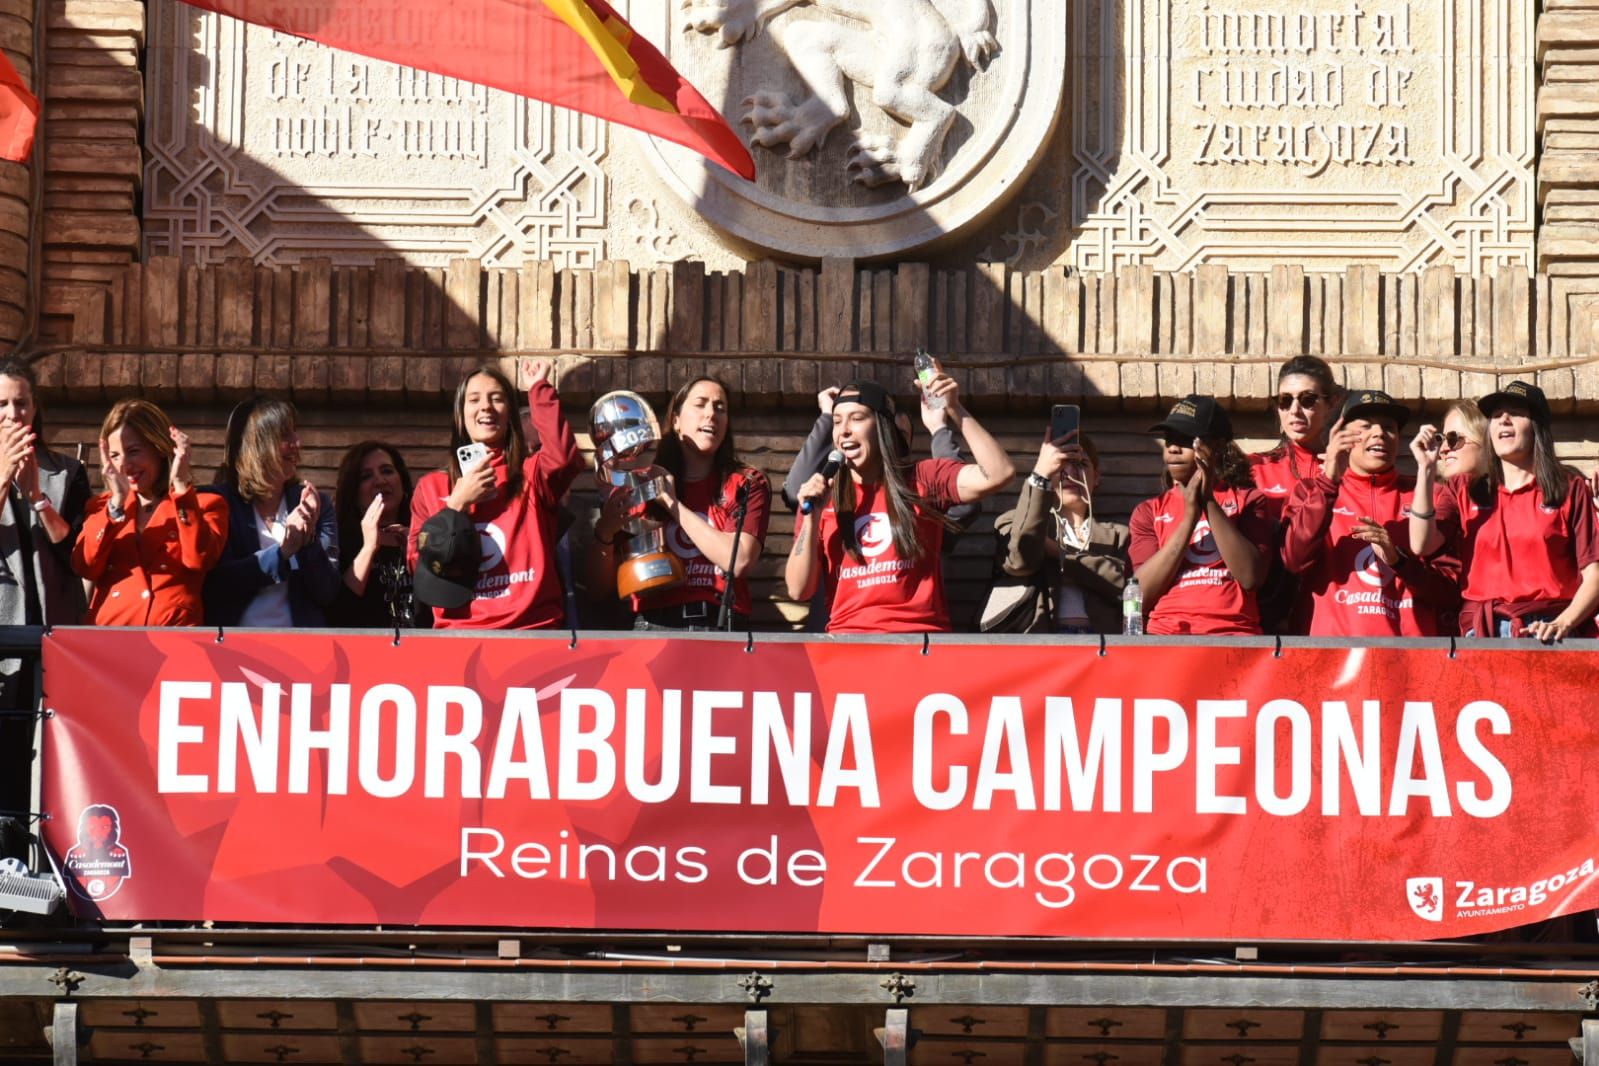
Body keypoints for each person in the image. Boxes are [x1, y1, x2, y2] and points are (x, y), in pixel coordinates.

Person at [785, 377, 1014, 633]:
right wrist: (811, 517)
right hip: (848, 646)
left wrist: (955, 409)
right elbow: (798, 590)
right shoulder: (821, 499)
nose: (844, 430)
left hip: (920, 644)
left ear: (882, 427)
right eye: (837, 421)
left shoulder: (924, 478)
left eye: (857, 418)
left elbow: (999, 473)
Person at [1411, 380, 1599, 642]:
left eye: (1516, 413)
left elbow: (1594, 574)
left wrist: (1564, 622)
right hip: (1482, 632)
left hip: (1549, 633)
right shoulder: (1463, 489)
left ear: (1537, 428)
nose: (1504, 420)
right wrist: (1425, 469)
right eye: (1496, 415)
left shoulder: (1571, 488)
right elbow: (1421, 544)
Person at [408, 358, 582, 629]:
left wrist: (539, 389)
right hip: (462, 637)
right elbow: (418, 565)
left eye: (497, 398)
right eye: (474, 399)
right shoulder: (432, 486)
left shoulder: (531, 474)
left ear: (510, 413)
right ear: (460, 414)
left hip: (534, 630)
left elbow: (563, 458)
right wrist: (455, 506)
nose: (486, 407)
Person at [589, 376, 772, 630]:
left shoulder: (746, 483)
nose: (711, 414)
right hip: (652, 625)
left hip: (719, 625)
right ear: (675, 420)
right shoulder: (638, 482)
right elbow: (598, 590)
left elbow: (738, 561)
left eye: (720, 408)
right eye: (700, 404)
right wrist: (605, 532)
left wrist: (672, 504)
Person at [0, 359, 89, 856]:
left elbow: (78, 553)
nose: (14, 414)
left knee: (49, 756)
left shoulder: (67, 473)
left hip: (55, 638)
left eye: (22, 403)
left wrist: (36, 496)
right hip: (3, 638)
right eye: (2, 405)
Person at [1280, 390, 1459, 636]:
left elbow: (1449, 591)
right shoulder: (1310, 492)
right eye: (1365, 426)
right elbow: (1294, 560)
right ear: (1341, 436)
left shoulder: (1432, 495)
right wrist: (1329, 481)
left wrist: (1399, 560)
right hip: (1332, 658)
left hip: (1413, 659)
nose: (1379, 433)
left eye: (1389, 427)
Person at [72, 400, 228, 626]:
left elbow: (199, 559)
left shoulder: (204, 505)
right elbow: (85, 565)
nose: (124, 464)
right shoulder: (101, 507)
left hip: (174, 641)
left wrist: (181, 487)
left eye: (133, 451)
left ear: (160, 448)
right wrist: (116, 503)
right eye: (115, 455)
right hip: (108, 643)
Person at [1128, 395, 1272, 635]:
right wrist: (1189, 519)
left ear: (1217, 445)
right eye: (1169, 440)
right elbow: (1138, 594)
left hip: (1233, 635)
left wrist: (1208, 503)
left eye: (1185, 440)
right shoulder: (1148, 511)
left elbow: (1250, 577)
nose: (1173, 448)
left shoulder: (1249, 500)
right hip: (1166, 636)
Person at [202, 397, 340, 627]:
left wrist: (308, 542)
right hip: (233, 650)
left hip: (301, 651)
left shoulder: (315, 504)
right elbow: (215, 584)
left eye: (295, 433)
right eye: (286, 435)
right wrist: (282, 552)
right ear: (257, 444)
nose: (298, 442)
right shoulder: (217, 502)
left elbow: (328, 593)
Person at [986, 430, 1128, 633]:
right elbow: (1020, 558)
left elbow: (1130, 585)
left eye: (1080, 464)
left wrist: (1058, 553)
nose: (1069, 473)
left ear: (1096, 477)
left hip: (1102, 646)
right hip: (1040, 642)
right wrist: (1040, 477)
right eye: (1061, 465)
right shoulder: (1012, 521)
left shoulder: (1119, 535)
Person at [329, 441, 429, 629]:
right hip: (366, 652)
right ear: (353, 492)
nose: (380, 481)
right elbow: (339, 612)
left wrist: (419, 554)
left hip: (422, 650)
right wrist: (369, 548)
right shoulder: (340, 541)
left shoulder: (424, 534)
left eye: (387, 471)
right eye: (366, 476)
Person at [1250, 355, 1342, 517]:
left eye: (1307, 399)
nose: (1294, 410)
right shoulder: (1254, 468)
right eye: (1284, 400)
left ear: (1331, 404)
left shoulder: (1349, 470)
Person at [1439, 400, 1490, 482]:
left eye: (1453, 438)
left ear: (1485, 441)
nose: (1442, 449)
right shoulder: (1429, 493)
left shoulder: (1508, 493)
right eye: (1442, 440)